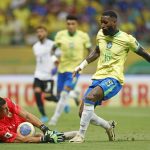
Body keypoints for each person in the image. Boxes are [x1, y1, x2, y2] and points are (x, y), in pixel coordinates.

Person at [69, 10, 150, 143]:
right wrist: (81, 66)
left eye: (106, 22)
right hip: (98, 77)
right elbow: (96, 51)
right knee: (82, 112)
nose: (102, 25)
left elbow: (144, 54)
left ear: (114, 22)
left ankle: (80, 136)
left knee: (90, 97)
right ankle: (108, 126)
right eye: (101, 22)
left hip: (114, 78)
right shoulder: (100, 34)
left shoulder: (127, 39)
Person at [49, 15, 92, 125]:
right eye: (68, 24)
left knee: (63, 94)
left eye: (73, 24)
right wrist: (54, 59)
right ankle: (74, 96)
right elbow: (52, 50)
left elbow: (91, 51)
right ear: (66, 24)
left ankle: (54, 118)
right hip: (62, 70)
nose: (70, 26)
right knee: (59, 95)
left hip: (74, 71)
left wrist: (82, 64)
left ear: (77, 25)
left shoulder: (83, 36)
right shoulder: (60, 35)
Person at [33, 26, 58, 123]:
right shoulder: (35, 46)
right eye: (38, 32)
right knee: (37, 92)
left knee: (48, 97)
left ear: (46, 33)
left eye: (41, 31)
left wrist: (55, 66)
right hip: (38, 75)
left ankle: (61, 102)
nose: (39, 33)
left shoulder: (53, 45)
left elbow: (55, 57)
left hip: (49, 75)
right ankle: (43, 115)